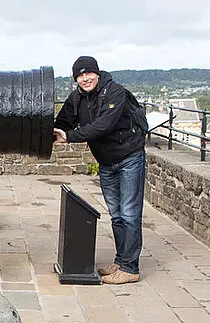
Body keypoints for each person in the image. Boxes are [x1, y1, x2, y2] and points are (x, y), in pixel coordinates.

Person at [53, 56, 146, 285]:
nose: (84, 79)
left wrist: (71, 137)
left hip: (129, 157)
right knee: (116, 215)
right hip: (106, 163)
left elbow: (104, 125)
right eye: (79, 76)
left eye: (88, 74)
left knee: (129, 213)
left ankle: (130, 268)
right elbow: (63, 121)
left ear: (97, 73)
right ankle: (121, 261)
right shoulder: (77, 98)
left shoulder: (116, 93)